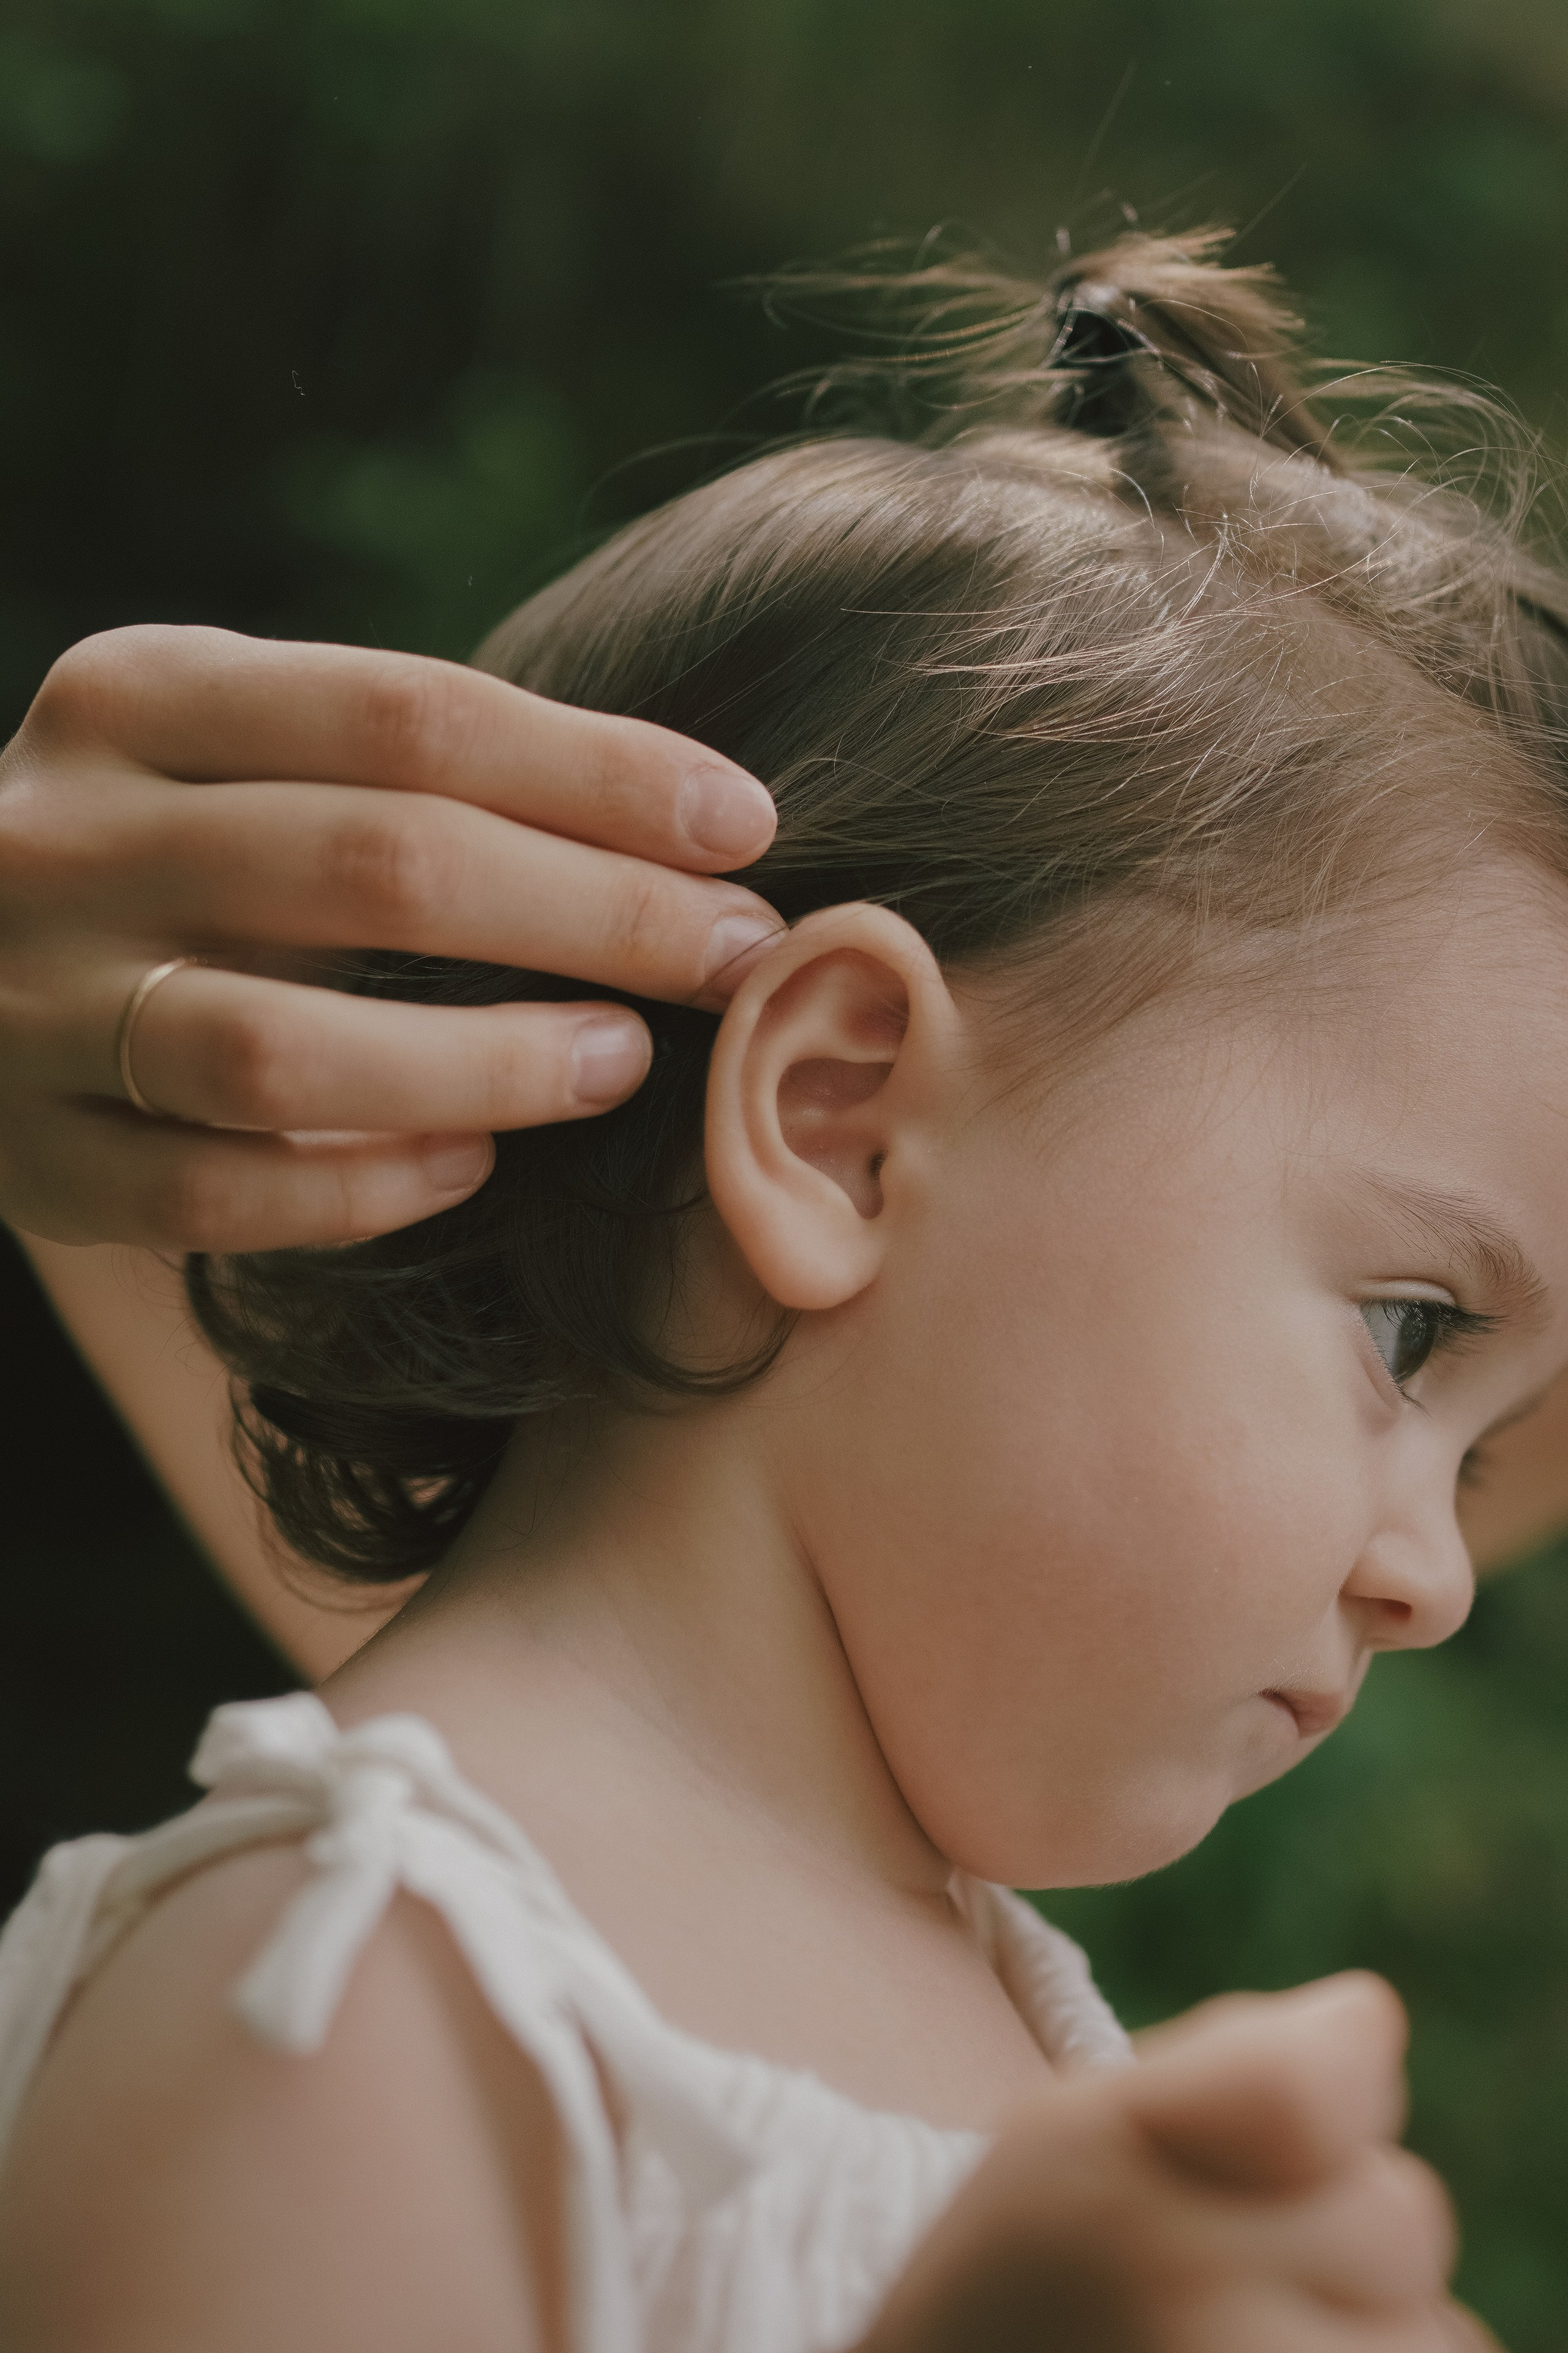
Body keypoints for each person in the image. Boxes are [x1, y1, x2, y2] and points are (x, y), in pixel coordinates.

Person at [0, 228, 1543, 2349]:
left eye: (1486, 1453)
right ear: (839, 1122)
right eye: (1410, 1334)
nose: (1439, 1581)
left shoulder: (990, 1994)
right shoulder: (356, 1973)